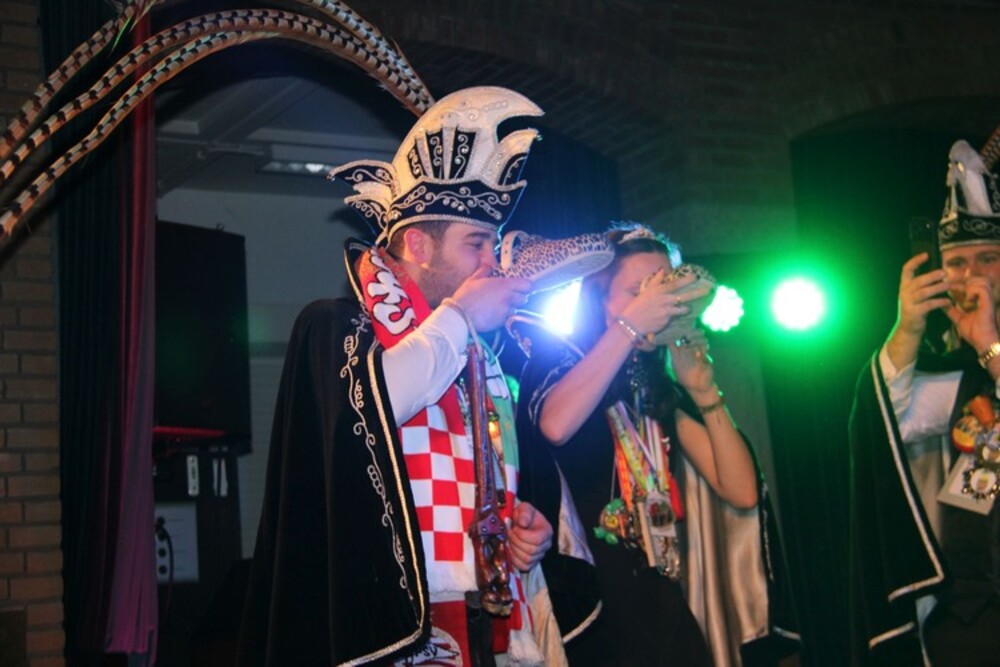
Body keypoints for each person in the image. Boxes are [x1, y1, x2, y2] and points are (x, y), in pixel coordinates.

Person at [237, 86, 566, 666]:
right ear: (417, 244)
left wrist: (525, 533)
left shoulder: (478, 350)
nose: (490, 262)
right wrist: (461, 316)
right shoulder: (337, 327)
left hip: (494, 620)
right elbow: (376, 405)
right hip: (397, 630)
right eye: (475, 243)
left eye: (492, 244)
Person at [512, 223, 793, 666]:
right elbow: (555, 426)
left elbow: (741, 491)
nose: (655, 304)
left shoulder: (651, 388)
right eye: (636, 292)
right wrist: (629, 327)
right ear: (599, 301)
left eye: (664, 290)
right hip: (590, 605)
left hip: (658, 598)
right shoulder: (559, 359)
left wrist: (703, 390)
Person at [850, 136, 1000, 666]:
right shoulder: (947, 373)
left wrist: (990, 348)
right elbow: (886, 427)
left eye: (988, 259)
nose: (970, 275)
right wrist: (907, 331)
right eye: (955, 262)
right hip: (965, 620)